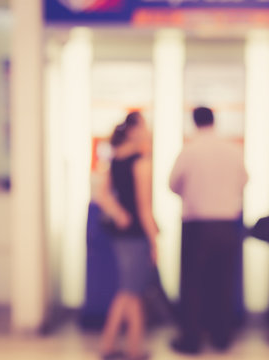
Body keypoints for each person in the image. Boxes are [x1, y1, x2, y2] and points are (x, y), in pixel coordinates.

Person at [169, 107, 247, 354]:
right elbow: (244, 180)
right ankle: (221, 337)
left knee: (193, 284)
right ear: (215, 121)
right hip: (227, 224)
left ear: (194, 122)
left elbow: (173, 184)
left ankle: (191, 340)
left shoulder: (189, 151)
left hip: (197, 226)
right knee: (223, 283)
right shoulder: (233, 150)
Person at [98, 112, 159, 360]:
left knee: (132, 293)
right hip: (136, 235)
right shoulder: (141, 163)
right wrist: (155, 241)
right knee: (129, 292)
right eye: (145, 125)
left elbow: (103, 195)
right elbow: (145, 208)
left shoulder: (115, 159)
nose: (148, 129)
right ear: (134, 130)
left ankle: (132, 348)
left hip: (122, 234)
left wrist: (118, 212)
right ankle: (111, 345)